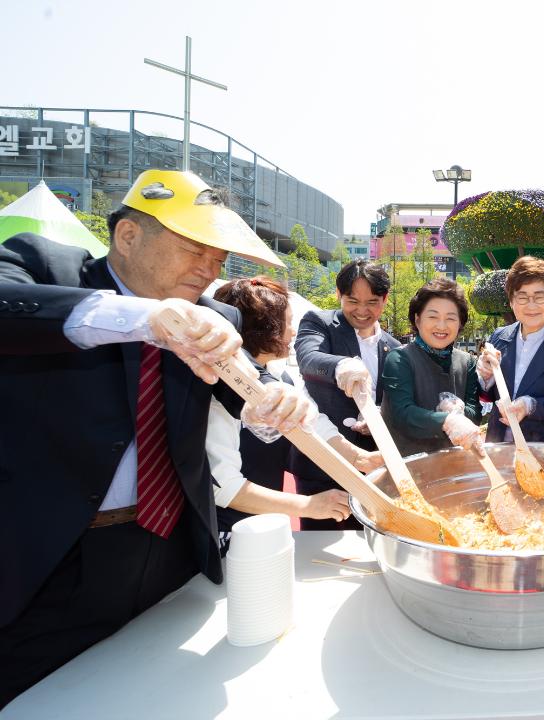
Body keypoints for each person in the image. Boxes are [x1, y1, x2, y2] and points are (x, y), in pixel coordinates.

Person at [0, 169, 317, 707]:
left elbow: (246, 396)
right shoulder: (40, 264)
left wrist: (279, 404)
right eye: (195, 250)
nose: (209, 270)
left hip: (170, 551)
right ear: (128, 236)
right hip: (55, 559)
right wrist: (144, 318)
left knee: (165, 694)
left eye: (218, 259)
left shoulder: (215, 315)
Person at [207, 277, 383, 546]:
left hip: (263, 528)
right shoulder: (218, 388)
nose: (292, 332)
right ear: (263, 327)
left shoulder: (279, 379)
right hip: (224, 531)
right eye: (288, 322)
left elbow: (314, 424)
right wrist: (309, 505)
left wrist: (361, 459)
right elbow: (223, 487)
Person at [293, 260, 400, 529]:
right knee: (319, 546)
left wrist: (379, 416)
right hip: (324, 464)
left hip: (372, 465)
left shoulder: (394, 346)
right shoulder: (319, 322)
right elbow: (309, 357)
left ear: (385, 299)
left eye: (372, 302)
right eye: (353, 300)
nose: (362, 311)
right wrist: (340, 365)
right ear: (339, 295)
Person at [476, 256, 544, 443]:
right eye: (522, 297)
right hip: (499, 443)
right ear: (511, 301)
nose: (531, 305)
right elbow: (487, 394)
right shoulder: (498, 338)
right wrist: (485, 377)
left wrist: (531, 405)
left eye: (539, 297)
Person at [380, 278, 482, 456]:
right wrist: (447, 421)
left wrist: (458, 411)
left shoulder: (467, 362)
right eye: (433, 316)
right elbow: (402, 415)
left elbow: (475, 413)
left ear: (460, 324)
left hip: (456, 465)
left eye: (450, 318)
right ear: (417, 319)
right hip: (410, 467)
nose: (441, 326)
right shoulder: (399, 359)